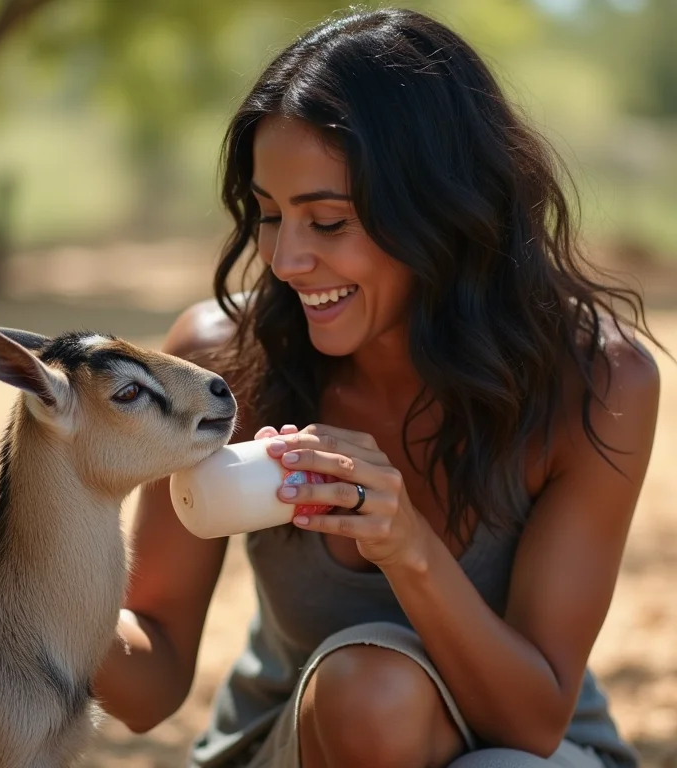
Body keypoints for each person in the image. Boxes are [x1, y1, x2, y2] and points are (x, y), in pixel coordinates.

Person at [92, 7, 663, 767]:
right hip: (296, 747)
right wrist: (34, 587)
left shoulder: (596, 383)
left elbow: (530, 726)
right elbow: (152, 684)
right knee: (371, 693)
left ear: (441, 210)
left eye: (328, 222)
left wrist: (407, 547)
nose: (287, 259)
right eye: (268, 215)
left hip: (529, 749)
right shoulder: (225, 363)